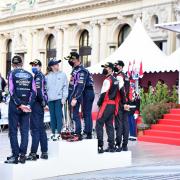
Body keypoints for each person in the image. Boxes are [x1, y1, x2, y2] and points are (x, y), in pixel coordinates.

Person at [5, 56, 36, 164]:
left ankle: (15, 155)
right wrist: (28, 105)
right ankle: (22, 155)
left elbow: (11, 90)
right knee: (24, 131)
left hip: (15, 106)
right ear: (22, 63)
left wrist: (19, 104)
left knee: (13, 131)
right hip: (26, 106)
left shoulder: (11, 74)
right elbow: (34, 92)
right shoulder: (30, 74)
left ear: (13, 64)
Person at [66, 52, 95, 141]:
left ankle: (88, 133)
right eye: (70, 60)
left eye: (73, 60)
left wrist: (74, 97)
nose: (71, 61)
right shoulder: (75, 69)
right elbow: (72, 84)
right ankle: (79, 132)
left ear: (78, 60)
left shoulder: (82, 70)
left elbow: (80, 85)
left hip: (87, 91)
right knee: (80, 113)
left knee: (86, 113)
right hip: (81, 92)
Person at [27, 59, 49, 161]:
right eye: (32, 65)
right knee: (40, 129)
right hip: (39, 104)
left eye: (35, 65)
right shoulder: (38, 76)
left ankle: (33, 153)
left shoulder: (39, 76)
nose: (33, 67)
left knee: (35, 129)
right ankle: (44, 152)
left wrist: (42, 103)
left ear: (40, 66)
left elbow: (38, 91)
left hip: (37, 104)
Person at [96, 62, 118, 153]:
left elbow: (103, 94)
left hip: (106, 103)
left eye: (106, 67)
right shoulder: (116, 80)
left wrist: (98, 103)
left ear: (110, 69)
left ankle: (100, 146)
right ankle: (111, 146)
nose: (104, 69)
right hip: (112, 104)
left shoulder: (107, 80)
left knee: (99, 123)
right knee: (109, 125)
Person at [46, 59, 68, 141]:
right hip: (50, 99)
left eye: (58, 64)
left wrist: (64, 98)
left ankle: (58, 133)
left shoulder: (63, 75)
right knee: (52, 116)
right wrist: (46, 99)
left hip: (59, 99)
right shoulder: (47, 76)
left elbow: (65, 87)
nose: (57, 65)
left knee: (59, 116)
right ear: (52, 66)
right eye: (56, 64)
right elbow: (45, 89)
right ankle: (53, 132)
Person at [114, 60, 130, 151]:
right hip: (126, 102)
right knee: (125, 123)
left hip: (120, 103)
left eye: (116, 65)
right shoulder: (126, 76)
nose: (115, 66)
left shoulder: (119, 76)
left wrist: (123, 103)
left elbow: (122, 90)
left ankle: (118, 144)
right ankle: (125, 145)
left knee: (119, 124)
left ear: (120, 66)